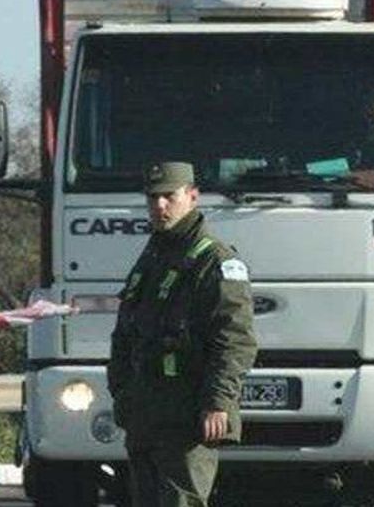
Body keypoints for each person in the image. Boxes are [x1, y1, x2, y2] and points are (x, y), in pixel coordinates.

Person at [108, 162, 258, 507]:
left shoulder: (215, 260)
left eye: (168, 196)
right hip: (145, 411)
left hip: (187, 414)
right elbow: (127, 331)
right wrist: (120, 388)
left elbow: (234, 340)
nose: (159, 206)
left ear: (192, 197)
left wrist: (218, 402)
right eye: (152, 198)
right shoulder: (154, 255)